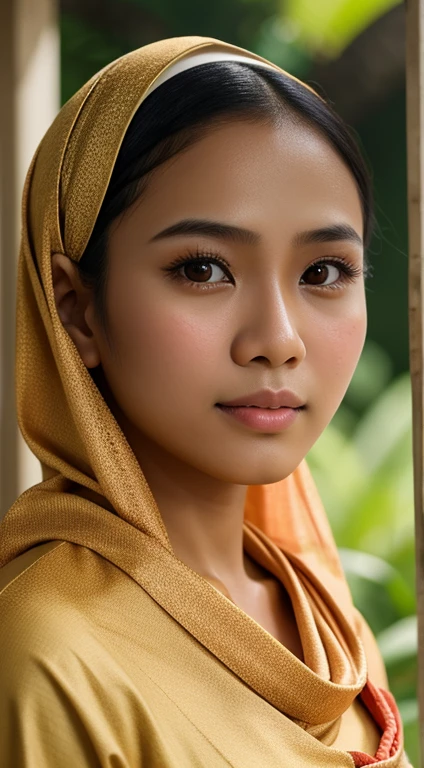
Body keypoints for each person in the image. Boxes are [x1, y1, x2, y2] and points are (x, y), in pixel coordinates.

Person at [0, 35, 410, 767]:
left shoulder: (324, 614)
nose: (278, 340)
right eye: (203, 268)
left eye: (323, 270)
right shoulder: (45, 656)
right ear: (76, 308)